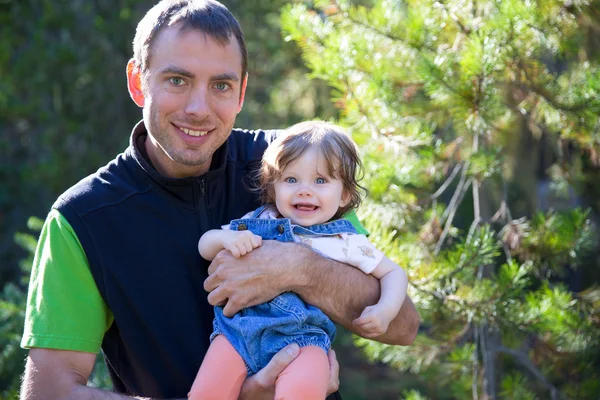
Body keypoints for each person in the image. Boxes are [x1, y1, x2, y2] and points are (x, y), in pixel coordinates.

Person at [19, 1, 420, 399]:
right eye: (178, 80)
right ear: (138, 82)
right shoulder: (84, 218)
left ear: (242, 91)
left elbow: (402, 326)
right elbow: (49, 393)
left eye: (221, 86)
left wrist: (301, 268)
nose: (199, 109)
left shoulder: (289, 168)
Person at [190, 121, 409, 400]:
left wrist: (385, 310)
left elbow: (393, 273)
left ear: (344, 194)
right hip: (235, 336)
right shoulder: (261, 219)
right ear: (273, 188)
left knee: (302, 392)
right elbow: (205, 244)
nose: (305, 190)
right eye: (291, 180)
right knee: (205, 394)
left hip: (303, 343)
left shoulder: (344, 241)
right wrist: (226, 240)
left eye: (320, 181)